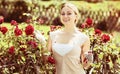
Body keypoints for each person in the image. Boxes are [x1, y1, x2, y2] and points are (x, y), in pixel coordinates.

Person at [47, 2, 93, 74]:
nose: (65, 16)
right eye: (63, 14)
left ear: (76, 16)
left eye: (69, 13)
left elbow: (85, 65)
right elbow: (44, 60)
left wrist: (89, 59)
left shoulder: (83, 38)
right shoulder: (53, 35)